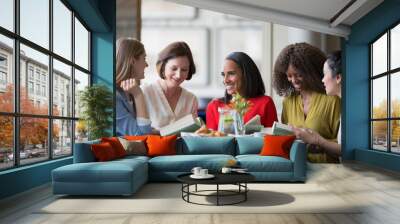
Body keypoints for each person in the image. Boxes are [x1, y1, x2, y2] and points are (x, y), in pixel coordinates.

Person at [273, 43, 340, 163]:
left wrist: (319, 143)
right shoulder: (288, 102)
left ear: (311, 71)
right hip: (295, 169)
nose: (294, 80)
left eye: (298, 75)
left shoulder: (332, 100)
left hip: (327, 170)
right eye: (289, 76)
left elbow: (343, 145)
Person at [206, 52, 278, 130]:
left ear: (246, 75)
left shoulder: (265, 103)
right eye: (223, 75)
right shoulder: (214, 106)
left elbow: (273, 139)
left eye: (231, 73)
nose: (225, 80)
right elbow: (210, 140)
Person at [291, 51, 342, 159]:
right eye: (289, 75)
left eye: (325, 74)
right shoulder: (348, 107)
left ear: (338, 77)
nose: (322, 80)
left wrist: (318, 140)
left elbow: (350, 151)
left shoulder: (346, 108)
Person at [142, 41, 198, 129]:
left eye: (184, 70)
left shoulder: (191, 99)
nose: (178, 75)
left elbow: (192, 134)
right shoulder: (145, 92)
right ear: (163, 67)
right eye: (174, 68)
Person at [116, 38, 152, 136]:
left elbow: (144, 130)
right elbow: (141, 136)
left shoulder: (129, 92)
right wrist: (138, 95)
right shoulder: (113, 97)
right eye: (144, 58)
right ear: (132, 61)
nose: (147, 64)